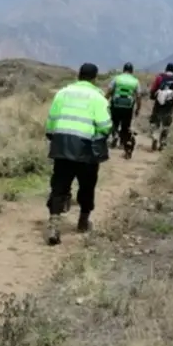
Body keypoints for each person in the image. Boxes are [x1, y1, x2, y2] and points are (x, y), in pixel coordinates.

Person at [44, 62, 111, 241]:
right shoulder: (98, 97)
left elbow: (51, 121)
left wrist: (53, 137)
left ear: (78, 75)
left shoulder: (62, 93)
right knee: (87, 185)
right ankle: (83, 220)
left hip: (61, 144)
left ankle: (54, 225)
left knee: (59, 185)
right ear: (95, 78)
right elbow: (105, 126)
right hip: (85, 148)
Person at [105, 62, 142, 151]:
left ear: (123, 69)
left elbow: (109, 90)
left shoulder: (117, 78)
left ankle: (115, 136)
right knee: (125, 124)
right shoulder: (135, 81)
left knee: (115, 122)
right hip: (128, 106)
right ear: (132, 71)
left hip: (116, 104)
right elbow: (138, 95)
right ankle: (122, 143)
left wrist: (105, 100)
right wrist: (138, 108)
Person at [147, 62, 173, 151]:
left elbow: (153, 89)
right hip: (170, 105)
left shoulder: (160, 77)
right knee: (166, 124)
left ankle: (155, 136)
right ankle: (162, 142)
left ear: (166, 69)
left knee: (155, 121)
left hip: (159, 103)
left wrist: (152, 97)